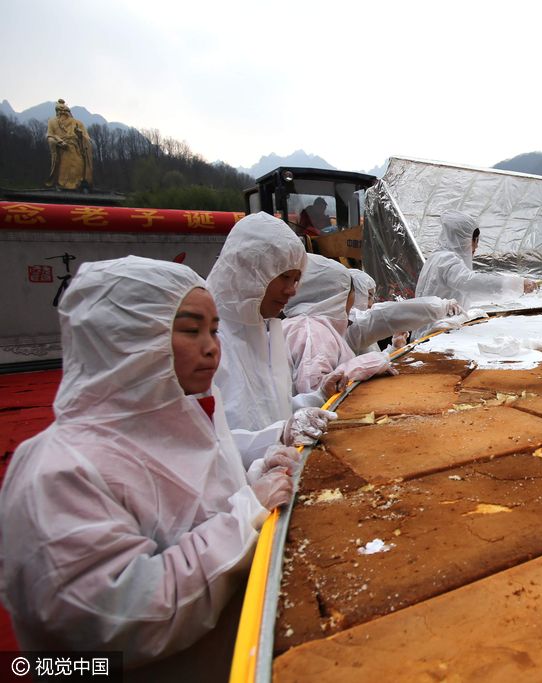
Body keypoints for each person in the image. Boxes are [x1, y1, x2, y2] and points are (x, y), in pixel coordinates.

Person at [0, 256, 295, 679]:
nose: (212, 347)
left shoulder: (177, 424)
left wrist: (253, 479)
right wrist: (246, 517)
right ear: (124, 339)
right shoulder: (59, 471)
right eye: (190, 330)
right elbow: (113, 623)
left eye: (213, 330)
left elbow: (196, 514)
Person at [206, 212, 337, 466]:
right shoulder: (209, 341)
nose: (292, 290)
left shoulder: (263, 331)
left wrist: (318, 396)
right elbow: (204, 445)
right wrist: (276, 436)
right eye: (284, 277)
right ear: (249, 270)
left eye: (297, 279)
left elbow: (271, 411)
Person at [281, 255, 401, 394]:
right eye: (350, 291)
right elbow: (315, 390)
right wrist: (361, 366)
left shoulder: (306, 325)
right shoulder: (313, 332)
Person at [415, 210, 540, 308]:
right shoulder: (447, 260)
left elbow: (465, 290)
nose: (476, 246)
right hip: (435, 334)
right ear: (464, 239)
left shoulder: (436, 257)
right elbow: (470, 282)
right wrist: (517, 284)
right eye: (475, 240)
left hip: (430, 328)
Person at [347, 268, 462, 354]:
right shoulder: (350, 323)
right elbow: (388, 314)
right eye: (367, 296)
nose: (370, 303)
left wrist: (393, 348)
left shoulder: (350, 324)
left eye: (371, 297)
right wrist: (442, 306)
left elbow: (368, 364)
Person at [45, 99, 93, 191]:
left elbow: (88, 140)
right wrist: (56, 142)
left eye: (65, 111)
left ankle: (79, 185)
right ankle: (61, 185)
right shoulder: (52, 122)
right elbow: (50, 136)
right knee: (63, 170)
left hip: (76, 150)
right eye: (60, 112)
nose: (63, 114)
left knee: (77, 167)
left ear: (69, 112)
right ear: (57, 112)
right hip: (62, 150)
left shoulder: (78, 123)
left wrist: (80, 135)